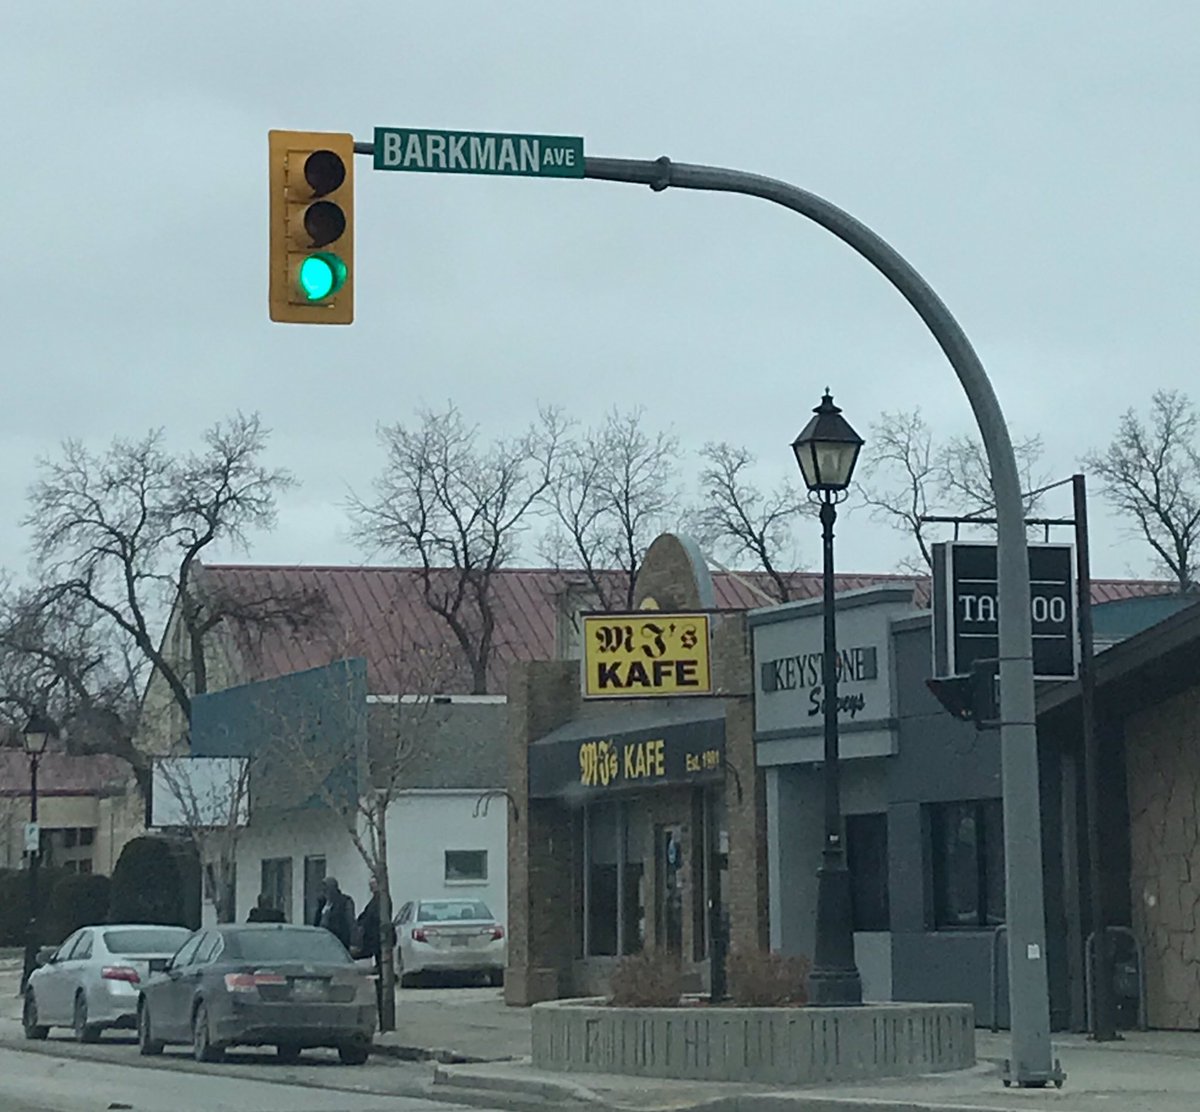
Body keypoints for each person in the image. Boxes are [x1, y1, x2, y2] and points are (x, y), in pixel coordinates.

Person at [356, 875, 385, 1024]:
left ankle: (385, 1015)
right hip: (373, 942)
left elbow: (372, 919)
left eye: (373, 884)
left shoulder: (381, 900)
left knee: (382, 977)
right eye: (370, 885)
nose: (371, 887)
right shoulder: (374, 900)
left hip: (378, 942)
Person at [316, 876, 355, 950]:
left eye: (326, 889)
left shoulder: (344, 902)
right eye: (323, 890)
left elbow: (350, 922)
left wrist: (353, 942)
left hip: (338, 940)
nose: (324, 892)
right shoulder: (322, 903)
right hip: (322, 941)